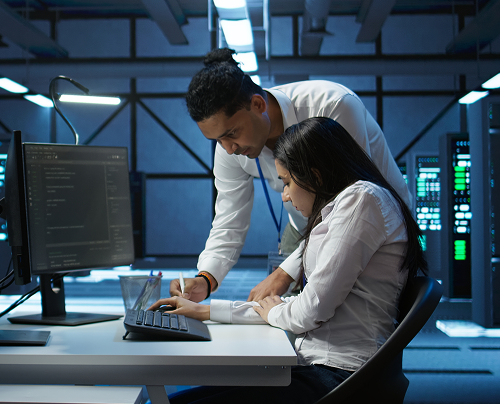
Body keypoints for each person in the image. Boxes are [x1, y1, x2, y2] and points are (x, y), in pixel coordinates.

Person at [151, 117, 427, 403]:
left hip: (340, 379)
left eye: (286, 182)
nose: (284, 196)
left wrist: (273, 311)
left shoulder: (361, 201)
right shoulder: (346, 208)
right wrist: (204, 311)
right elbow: (292, 307)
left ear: (315, 176)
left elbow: (310, 309)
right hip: (321, 369)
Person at [174, 49, 410, 303]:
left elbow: (351, 209)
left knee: (357, 321)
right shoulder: (231, 149)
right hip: (306, 228)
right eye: (216, 140)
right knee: (285, 316)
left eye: (231, 133)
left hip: (371, 224)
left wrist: (285, 272)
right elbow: (228, 219)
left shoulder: (332, 105)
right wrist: (206, 278)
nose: (228, 148)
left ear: (258, 104)